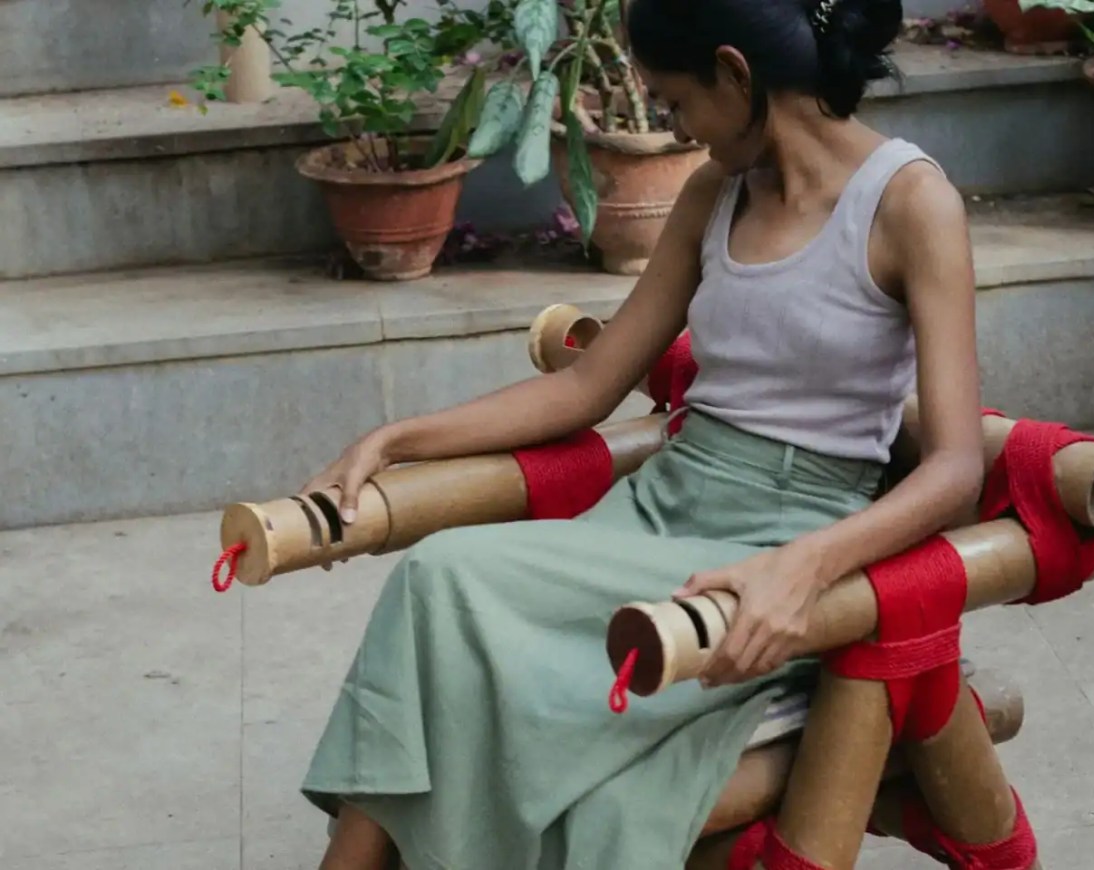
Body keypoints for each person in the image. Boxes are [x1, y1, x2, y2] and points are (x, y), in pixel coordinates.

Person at [297, 0, 984, 865]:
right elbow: (589, 383)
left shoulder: (912, 203)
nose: (675, 127)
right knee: (440, 582)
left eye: (675, 102)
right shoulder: (714, 192)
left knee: (480, 640)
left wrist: (804, 567)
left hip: (787, 536)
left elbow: (956, 467)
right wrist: (400, 438)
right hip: (661, 507)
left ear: (734, 74)